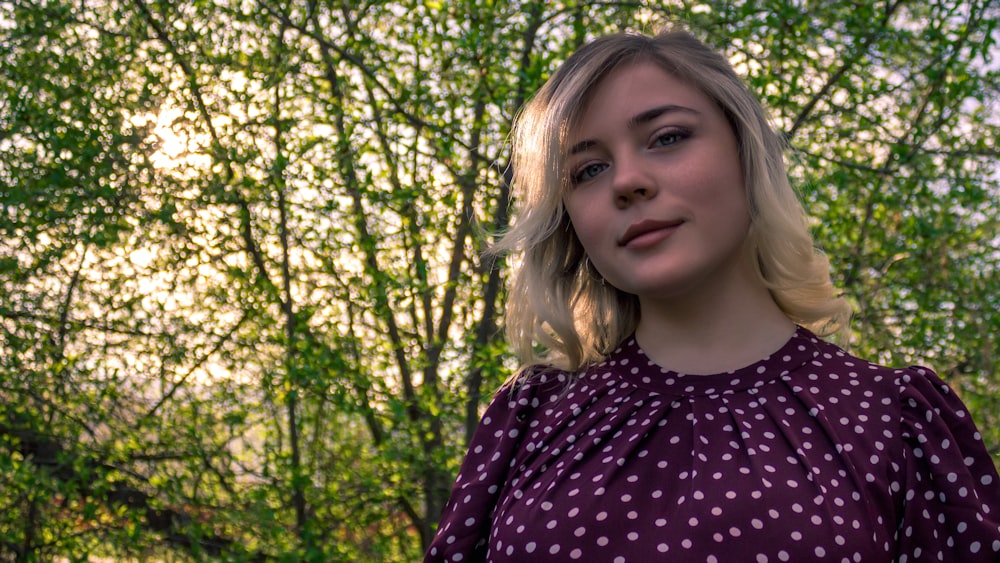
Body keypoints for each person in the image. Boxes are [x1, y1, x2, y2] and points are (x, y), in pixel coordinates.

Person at [424, 29, 1000, 562]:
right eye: (589, 170)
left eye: (667, 137)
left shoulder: (894, 419)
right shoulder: (530, 419)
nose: (627, 181)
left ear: (748, 154)